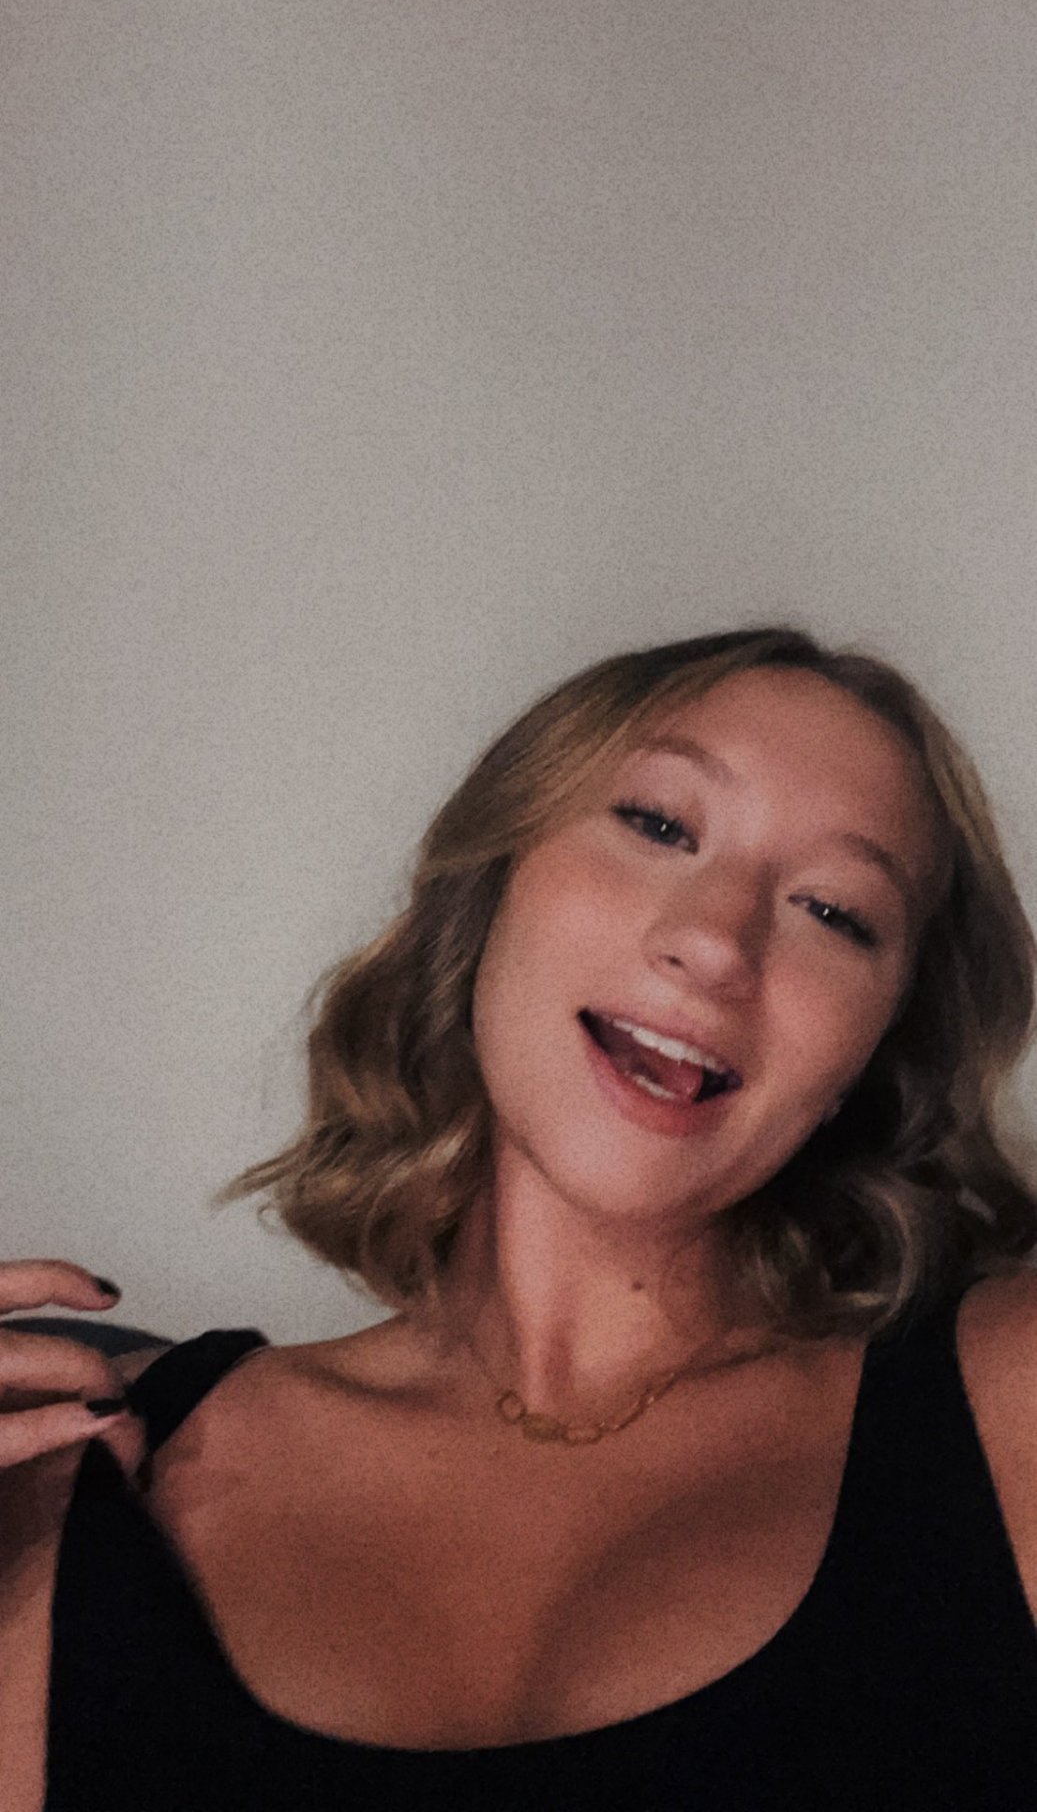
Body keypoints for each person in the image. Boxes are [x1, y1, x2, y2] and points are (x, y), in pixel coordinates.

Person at [3, 624, 1037, 1811]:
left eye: (833, 912)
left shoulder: (1001, 1407)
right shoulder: (70, 1471)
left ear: (874, 1049)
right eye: (657, 825)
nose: (714, 942)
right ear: (492, 880)